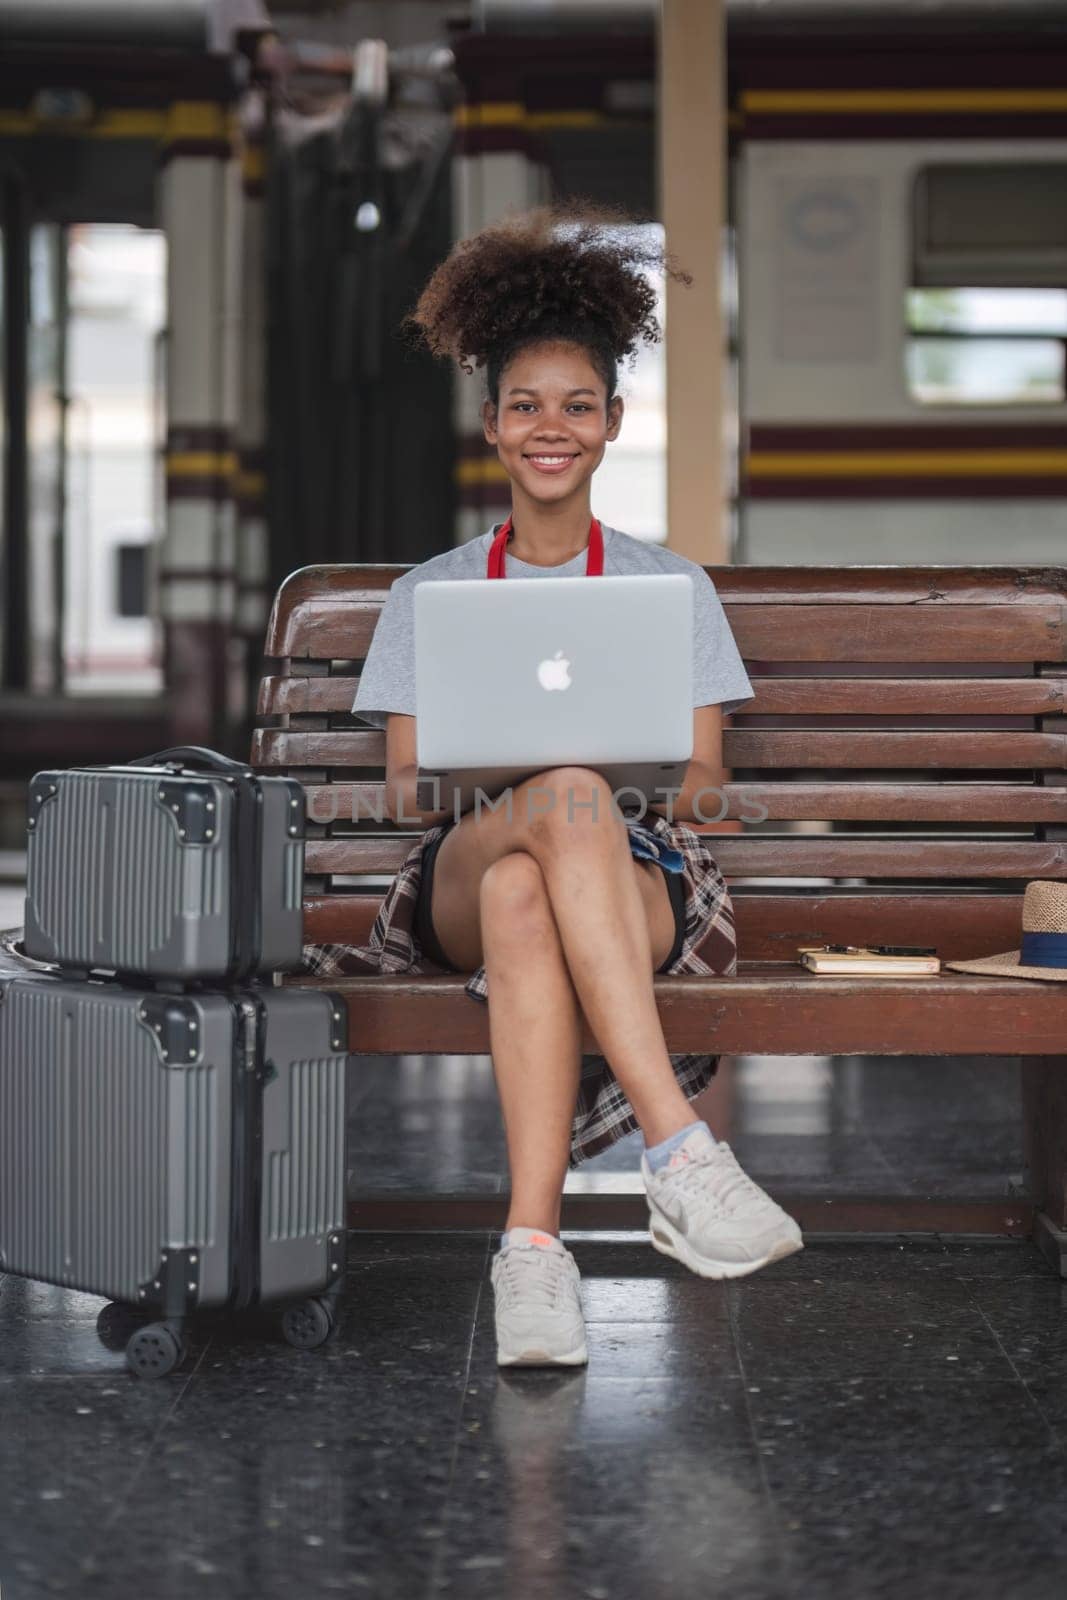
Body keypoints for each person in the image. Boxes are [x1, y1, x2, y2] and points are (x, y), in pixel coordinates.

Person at [298, 201, 802, 1368]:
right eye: (525, 404)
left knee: (547, 876)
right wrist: (541, 777)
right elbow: (414, 787)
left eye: (577, 405)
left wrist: (589, 788)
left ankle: (530, 1252)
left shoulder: (669, 587)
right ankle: (677, 1153)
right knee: (553, 808)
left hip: (637, 872)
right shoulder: (431, 592)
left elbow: (707, 779)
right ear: (490, 425)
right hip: (461, 864)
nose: (550, 427)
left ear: (614, 422)